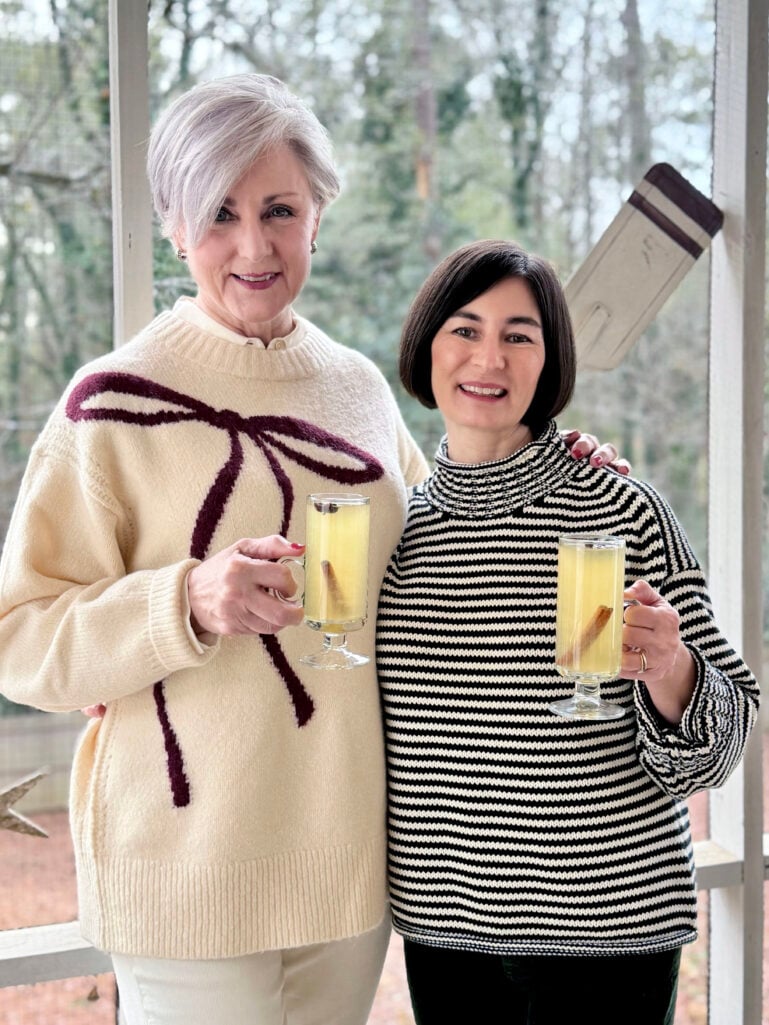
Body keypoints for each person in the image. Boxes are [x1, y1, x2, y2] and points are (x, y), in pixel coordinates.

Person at [0, 78, 619, 1024]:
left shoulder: (357, 386)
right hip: (186, 868)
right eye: (219, 213)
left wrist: (559, 468)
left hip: (345, 866)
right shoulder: (111, 403)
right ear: (174, 225)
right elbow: (21, 639)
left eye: (280, 209)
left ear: (318, 215)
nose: (255, 245)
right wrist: (186, 601)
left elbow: (444, 547)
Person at [376, 239, 759, 1025]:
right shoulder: (392, 532)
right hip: (446, 934)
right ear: (427, 345)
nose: (489, 356)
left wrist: (670, 670)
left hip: (609, 934)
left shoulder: (622, 509)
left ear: (548, 363)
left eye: (519, 335)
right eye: (465, 328)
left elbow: (723, 746)